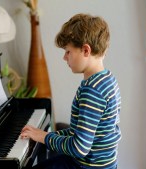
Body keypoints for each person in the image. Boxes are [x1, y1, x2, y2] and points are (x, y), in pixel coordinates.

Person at [20, 13, 122, 169]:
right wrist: (45, 135)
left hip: (86, 166)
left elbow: (79, 148)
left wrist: (45, 137)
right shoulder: (107, 79)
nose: (64, 57)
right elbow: (78, 132)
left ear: (86, 50)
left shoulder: (92, 90)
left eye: (68, 51)